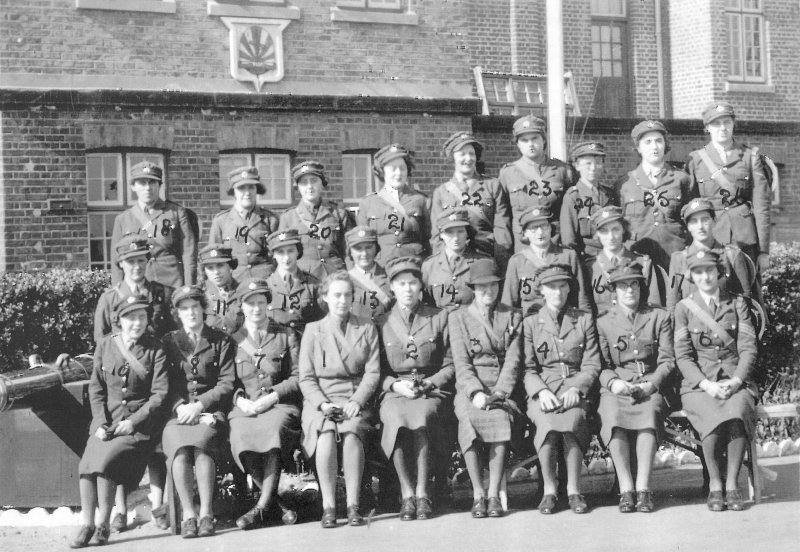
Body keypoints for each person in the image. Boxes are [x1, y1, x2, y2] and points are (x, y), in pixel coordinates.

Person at [70, 297, 168, 548]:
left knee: (105, 460)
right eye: (130, 318)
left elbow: (159, 395)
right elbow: (97, 389)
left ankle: (102, 524)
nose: (136, 323)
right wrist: (101, 423)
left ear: (148, 320)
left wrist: (133, 422)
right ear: (119, 320)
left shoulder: (155, 349)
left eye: (142, 317)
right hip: (107, 423)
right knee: (86, 464)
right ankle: (87, 524)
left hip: (139, 428)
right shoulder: (105, 345)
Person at [673, 250, 758, 512]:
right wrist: (706, 384)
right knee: (710, 419)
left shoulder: (738, 304)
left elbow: (748, 348)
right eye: (698, 272)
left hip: (735, 380)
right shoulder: (684, 309)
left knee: (737, 412)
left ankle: (732, 484)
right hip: (700, 385)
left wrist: (736, 381)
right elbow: (684, 357)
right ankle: (714, 485)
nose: (705, 276)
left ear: (720, 273)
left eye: (710, 270)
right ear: (691, 276)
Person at [299, 271, 381, 528]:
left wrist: (357, 400)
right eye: (336, 295)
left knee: (352, 432)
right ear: (325, 297)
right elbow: (306, 377)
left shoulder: (366, 327)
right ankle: (329, 506)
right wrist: (322, 404)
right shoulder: (313, 331)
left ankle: (353, 505)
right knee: (324, 434)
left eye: (347, 295)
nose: (342, 300)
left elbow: (373, 371)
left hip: (354, 398)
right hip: (321, 400)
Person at [376, 257, 454, 521]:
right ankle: (406, 492)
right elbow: (376, 371)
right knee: (394, 418)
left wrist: (431, 383)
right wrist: (395, 384)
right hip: (396, 390)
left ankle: (423, 493)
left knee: (422, 417)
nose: (407, 289)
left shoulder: (438, 317)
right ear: (393, 289)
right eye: (401, 284)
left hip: (429, 388)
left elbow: (451, 364)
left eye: (412, 283)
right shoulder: (381, 322)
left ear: (421, 287)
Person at [596, 261, 675, 513]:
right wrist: (613, 383)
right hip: (618, 385)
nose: (629, 290)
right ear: (614, 291)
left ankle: (643, 490)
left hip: (650, 383)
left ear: (642, 288)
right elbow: (601, 364)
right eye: (622, 286)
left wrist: (652, 385)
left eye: (634, 285)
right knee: (612, 413)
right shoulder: (604, 323)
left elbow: (667, 360)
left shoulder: (658, 316)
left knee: (650, 412)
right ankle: (626, 489)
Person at [522, 264, 601, 515]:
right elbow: (527, 367)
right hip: (544, 387)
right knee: (546, 424)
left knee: (573, 421)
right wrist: (541, 392)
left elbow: (592, 362)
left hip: (573, 386)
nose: (557, 292)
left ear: (569, 288)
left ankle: (574, 490)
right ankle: (549, 490)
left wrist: (577, 388)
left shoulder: (583, 320)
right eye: (551, 287)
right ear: (541, 291)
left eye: (562, 286)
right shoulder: (532, 324)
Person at [449, 259, 524, 518]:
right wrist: (476, 393)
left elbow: (513, 361)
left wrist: (500, 393)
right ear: (473, 289)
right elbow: (461, 363)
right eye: (481, 287)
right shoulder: (458, 318)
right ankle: (478, 494)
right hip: (471, 389)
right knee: (468, 420)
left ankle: (493, 494)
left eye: (492, 285)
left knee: (501, 417)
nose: (487, 291)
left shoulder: (513, 315)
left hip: (501, 389)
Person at [228, 279, 302, 530]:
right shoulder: (234, 340)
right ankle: (276, 504)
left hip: (279, 405)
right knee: (239, 432)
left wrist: (273, 396)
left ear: (268, 304)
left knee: (275, 429)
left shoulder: (286, 335)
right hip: (246, 406)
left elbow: (298, 377)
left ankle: (260, 509)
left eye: (261, 302)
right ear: (242, 306)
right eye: (250, 303)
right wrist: (239, 400)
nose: (256, 309)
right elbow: (228, 380)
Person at [161, 286, 235, 538]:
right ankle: (189, 514)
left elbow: (226, 382)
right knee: (180, 453)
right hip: (178, 414)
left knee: (203, 449)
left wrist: (200, 405)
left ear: (204, 308)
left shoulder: (220, 340)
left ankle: (206, 513)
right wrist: (180, 406)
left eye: (195, 307)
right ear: (177, 314)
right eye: (184, 309)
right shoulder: (169, 342)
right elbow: (164, 384)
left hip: (209, 412)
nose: (191, 313)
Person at [686, 102, 771, 271]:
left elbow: (762, 207)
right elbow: (690, 207)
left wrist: (763, 251)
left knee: (748, 292)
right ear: (707, 128)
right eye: (716, 123)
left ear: (733, 124)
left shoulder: (750, 157)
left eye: (727, 122)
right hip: (711, 237)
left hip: (745, 238)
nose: (722, 128)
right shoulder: (696, 160)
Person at [618, 120, 694, 271]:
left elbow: (691, 219)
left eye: (659, 141)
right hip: (639, 258)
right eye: (648, 142)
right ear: (638, 148)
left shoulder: (681, 179)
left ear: (665, 145)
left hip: (675, 256)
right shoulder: (624, 184)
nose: (654, 146)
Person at [429, 132, 512, 265]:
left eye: (471, 154)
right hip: (455, 261)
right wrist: (443, 265)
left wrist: (500, 261)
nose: (468, 159)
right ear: (453, 158)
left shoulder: (492, 185)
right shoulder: (441, 192)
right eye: (462, 154)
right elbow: (436, 236)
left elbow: (502, 229)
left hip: (486, 257)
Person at [110, 161, 197, 288]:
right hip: (139, 286)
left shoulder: (176, 212)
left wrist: (189, 288)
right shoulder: (123, 219)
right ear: (133, 187)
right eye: (142, 183)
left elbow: (189, 254)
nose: (148, 188)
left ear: (159, 185)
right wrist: (118, 292)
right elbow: (116, 261)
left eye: (152, 182)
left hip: (172, 283)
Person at [497, 115, 578, 251]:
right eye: (524, 140)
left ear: (544, 140)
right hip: (523, 246)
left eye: (535, 138)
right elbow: (502, 216)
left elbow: (572, 211)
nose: (530, 144)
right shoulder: (508, 174)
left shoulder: (562, 171)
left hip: (556, 244)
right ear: (517, 144)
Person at [666, 198, 758, 313]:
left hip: (725, 327)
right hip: (691, 326)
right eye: (694, 221)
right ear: (688, 226)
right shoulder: (679, 259)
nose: (700, 226)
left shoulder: (732, 255)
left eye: (705, 220)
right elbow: (672, 305)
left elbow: (745, 301)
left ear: (714, 220)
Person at [502, 206, 590, 315]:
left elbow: (581, 298)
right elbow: (508, 303)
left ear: (551, 228)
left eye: (544, 226)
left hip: (564, 321)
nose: (540, 233)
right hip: (531, 323)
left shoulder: (568, 256)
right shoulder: (517, 261)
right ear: (525, 233)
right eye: (533, 228)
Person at [356, 144, 431, 265]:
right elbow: (361, 243)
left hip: (414, 268)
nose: (398, 173)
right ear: (382, 171)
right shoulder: (368, 203)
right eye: (393, 168)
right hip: (382, 270)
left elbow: (430, 240)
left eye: (402, 168)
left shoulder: (421, 200)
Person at [585, 206, 665, 316]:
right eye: (604, 231)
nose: (611, 237)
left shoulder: (643, 263)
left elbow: (654, 308)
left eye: (615, 229)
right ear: (597, 234)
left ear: (623, 229)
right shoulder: (590, 267)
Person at [94, 235, 175, 343]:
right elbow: (101, 341)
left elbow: (173, 333)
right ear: (121, 263)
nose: (137, 266)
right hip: (123, 358)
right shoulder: (109, 299)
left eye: (140, 260)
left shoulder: (163, 293)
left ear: (147, 261)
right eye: (131, 262)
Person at [279, 161, 353, 276]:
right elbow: (282, 256)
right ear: (297, 187)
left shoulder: (339, 214)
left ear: (322, 183)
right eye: (304, 182)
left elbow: (349, 252)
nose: (309, 186)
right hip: (305, 279)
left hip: (335, 278)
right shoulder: (288, 218)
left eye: (314, 181)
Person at [208, 166, 279, 281]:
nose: (247, 193)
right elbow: (213, 258)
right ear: (234, 192)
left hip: (265, 281)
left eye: (251, 187)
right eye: (241, 188)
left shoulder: (270, 219)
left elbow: (278, 256)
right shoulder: (221, 221)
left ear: (256, 190)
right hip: (235, 281)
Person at [560, 141, 618, 261]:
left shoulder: (610, 194)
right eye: (588, 163)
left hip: (612, 258)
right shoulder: (573, 196)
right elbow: (568, 240)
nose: (593, 168)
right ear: (577, 166)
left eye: (598, 163)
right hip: (586, 260)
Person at [422, 208, 487, 312]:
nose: (456, 238)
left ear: (467, 233)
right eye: (450, 233)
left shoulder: (481, 262)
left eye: (460, 231)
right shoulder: (429, 266)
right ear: (441, 235)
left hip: (472, 323)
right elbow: (426, 303)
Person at [263, 229, 324, 335]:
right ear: (273, 255)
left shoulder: (313, 284)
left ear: (298, 252)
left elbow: (322, 321)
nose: (286, 258)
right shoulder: (266, 287)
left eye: (290, 251)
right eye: (280, 252)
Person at [345, 226, 393, 321]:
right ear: (350, 252)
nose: (364, 254)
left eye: (368, 247)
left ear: (376, 248)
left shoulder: (390, 275)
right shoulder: (344, 281)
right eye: (358, 249)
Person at [199, 244, 243, 335]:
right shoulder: (201, 295)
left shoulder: (243, 291)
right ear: (204, 271)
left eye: (220, 265)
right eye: (210, 268)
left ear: (230, 266)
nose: (216, 272)